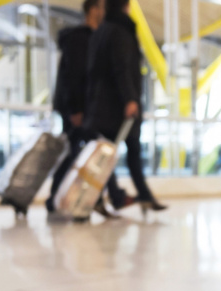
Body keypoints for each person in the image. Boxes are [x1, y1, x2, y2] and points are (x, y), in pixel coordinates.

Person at [85, 0, 167, 214]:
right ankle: (113, 197)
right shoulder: (121, 31)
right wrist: (130, 98)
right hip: (118, 107)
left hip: (101, 107)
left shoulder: (100, 32)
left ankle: (120, 197)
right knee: (123, 154)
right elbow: (122, 68)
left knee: (111, 155)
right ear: (126, 6)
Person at [48, 0, 126, 218]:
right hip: (76, 108)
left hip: (86, 107)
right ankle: (59, 199)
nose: (104, 11)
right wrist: (75, 109)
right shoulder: (79, 39)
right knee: (80, 153)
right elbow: (73, 77)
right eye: (102, 7)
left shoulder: (94, 37)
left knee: (85, 152)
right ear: (93, 10)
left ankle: (97, 199)